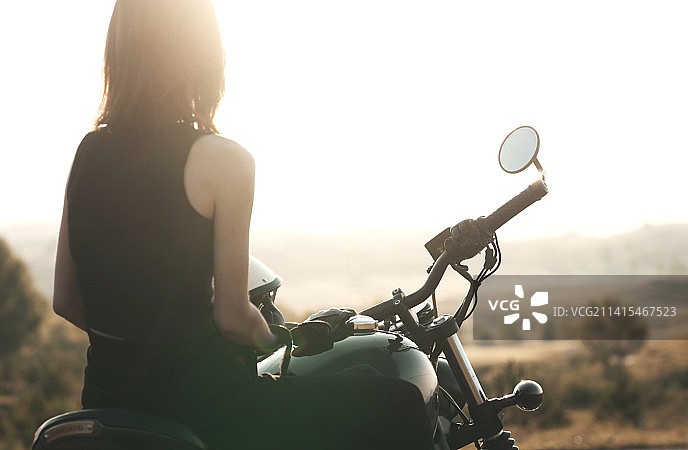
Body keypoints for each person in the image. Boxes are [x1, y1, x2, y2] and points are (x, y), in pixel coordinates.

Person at [52, 1, 435, 448]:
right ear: (202, 51)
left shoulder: (88, 152)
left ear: (119, 50)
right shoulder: (225, 160)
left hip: (107, 401)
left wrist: (139, 351)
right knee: (399, 403)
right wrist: (285, 338)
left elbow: (66, 300)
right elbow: (233, 317)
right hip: (206, 408)